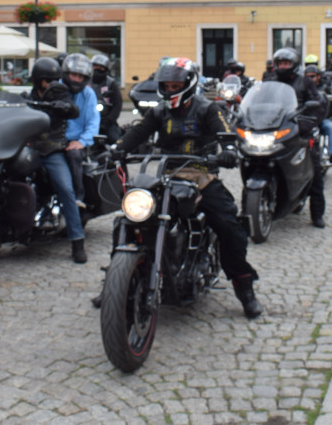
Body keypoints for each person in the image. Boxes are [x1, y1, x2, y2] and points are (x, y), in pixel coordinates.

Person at [111, 57, 263, 318]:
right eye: (166, 86)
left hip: (200, 175)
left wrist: (228, 150)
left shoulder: (208, 109)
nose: (170, 90)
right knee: (130, 217)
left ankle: (244, 287)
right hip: (166, 173)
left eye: (175, 85)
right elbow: (139, 133)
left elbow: (225, 131)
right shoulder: (159, 111)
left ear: (189, 84)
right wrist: (116, 149)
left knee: (230, 228)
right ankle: (114, 285)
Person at [23, 57, 87, 264]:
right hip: (28, 150)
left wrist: (63, 107)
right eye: (47, 80)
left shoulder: (61, 94)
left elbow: (72, 109)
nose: (50, 84)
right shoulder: (27, 96)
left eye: (53, 79)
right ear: (38, 80)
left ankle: (77, 240)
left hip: (52, 151)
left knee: (66, 190)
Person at [266, 47, 327, 226]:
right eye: (280, 63)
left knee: (314, 170)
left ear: (293, 65)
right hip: (275, 131)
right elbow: (259, 101)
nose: (283, 67)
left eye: (286, 63)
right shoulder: (270, 81)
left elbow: (318, 106)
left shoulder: (305, 82)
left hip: (299, 132)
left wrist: (306, 124)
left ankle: (317, 214)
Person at [63, 53, 101, 215]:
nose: (77, 79)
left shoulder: (88, 94)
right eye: (74, 75)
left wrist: (82, 141)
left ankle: (78, 197)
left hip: (75, 142)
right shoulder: (55, 89)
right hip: (53, 140)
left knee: (74, 156)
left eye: (81, 76)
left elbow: (93, 121)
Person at [305, 65, 332, 163]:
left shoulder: (325, 87)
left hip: (323, 118)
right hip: (307, 119)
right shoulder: (303, 88)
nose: (310, 79)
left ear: (318, 76)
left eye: (312, 76)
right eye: (307, 76)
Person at [90, 54, 123, 143]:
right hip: (89, 120)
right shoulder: (86, 81)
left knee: (114, 139)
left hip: (106, 120)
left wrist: (107, 121)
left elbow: (118, 105)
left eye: (100, 67)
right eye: (95, 66)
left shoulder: (110, 83)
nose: (97, 69)